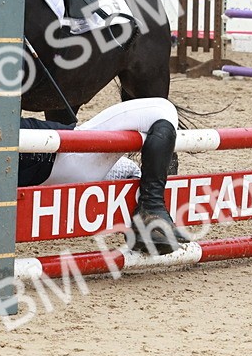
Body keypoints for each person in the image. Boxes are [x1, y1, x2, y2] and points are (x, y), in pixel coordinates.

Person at [19, 97, 188, 254]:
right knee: (163, 109)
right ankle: (152, 206)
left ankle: (151, 211)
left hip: (41, 168)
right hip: (67, 157)